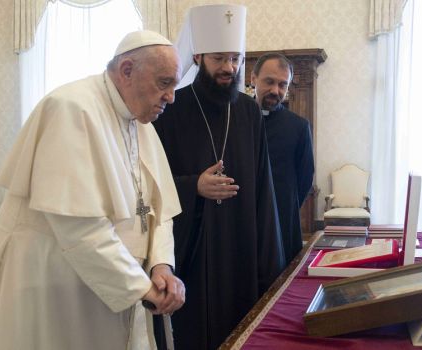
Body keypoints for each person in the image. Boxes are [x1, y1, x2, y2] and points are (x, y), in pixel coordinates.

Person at [0, 30, 185, 350]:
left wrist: (160, 264)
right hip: (52, 283)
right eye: (164, 83)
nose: (171, 97)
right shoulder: (70, 108)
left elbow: (158, 208)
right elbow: (78, 227)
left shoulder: (139, 121)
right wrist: (140, 286)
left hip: (116, 282)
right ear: (126, 71)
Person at [152, 5, 285, 350]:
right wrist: (193, 186)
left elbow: (263, 189)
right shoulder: (170, 110)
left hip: (239, 244)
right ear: (197, 56)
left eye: (236, 58)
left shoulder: (247, 111)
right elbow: (150, 186)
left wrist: (270, 265)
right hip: (190, 251)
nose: (229, 67)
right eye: (219, 58)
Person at [251, 53, 315, 265]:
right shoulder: (235, 119)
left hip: (282, 220)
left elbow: (305, 178)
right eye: (269, 82)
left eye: (282, 84)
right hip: (241, 222)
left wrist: (284, 206)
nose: (275, 91)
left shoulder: (298, 126)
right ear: (253, 79)